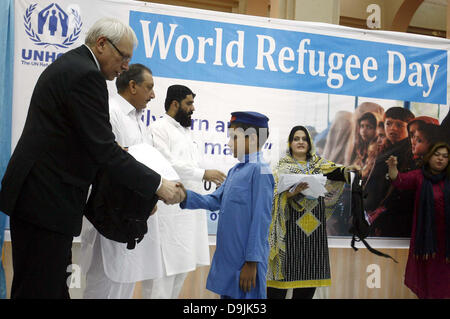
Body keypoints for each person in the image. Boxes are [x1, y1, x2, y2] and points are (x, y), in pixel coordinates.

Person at [0, 18, 182, 299]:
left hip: (39, 199)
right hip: (45, 202)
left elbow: (89, 142)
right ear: (101, 45)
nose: (124, 66)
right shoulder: (87, 76)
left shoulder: (73, 66)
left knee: (44, 287)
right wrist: (158, 185)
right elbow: (104, 150)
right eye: (123, 57)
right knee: (40, 289)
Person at [81, 63, 165, 299]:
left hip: (130, 219)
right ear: (132, 86)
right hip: (109, 217)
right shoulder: (110, 112)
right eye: (149, 87)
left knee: (123, 286)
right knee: (103, 288)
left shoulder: (140, 121)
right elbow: (110, 164)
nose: (153, 94)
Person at [178, 111, 274, 299]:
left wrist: (252, 262)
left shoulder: (260, 170)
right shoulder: (235, 170)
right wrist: (183, 196)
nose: (229, 143)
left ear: (252, 139)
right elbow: (214, 200)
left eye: (234, 137)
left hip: (246, 263)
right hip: (230, 261)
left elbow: (261, 220)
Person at [148, 85, 226, 298]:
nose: (193, 108)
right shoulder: (158, 128)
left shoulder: (187, 133)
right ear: (175, 104)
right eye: (189, 103)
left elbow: (194, 164)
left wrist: (214, 177)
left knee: (181, 271)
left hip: (189, 215)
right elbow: (168, 163)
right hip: (168, 215)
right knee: (162, 277)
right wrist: (203, 173)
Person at [267, 126, 358, 299]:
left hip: (312, 237)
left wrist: (349, 171)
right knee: (277, 291)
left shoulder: (319, 164)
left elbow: (340, 173)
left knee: (307, 289)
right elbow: (270, 195)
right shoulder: (281, 167)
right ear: (290, 143)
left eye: (304, 139)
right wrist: (289, 194)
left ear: (309, 143)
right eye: (296, 138)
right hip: (288, 235)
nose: (301, 142)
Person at [386, 142, 450, 299]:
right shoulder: (419, 176)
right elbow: (398, 179)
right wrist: (392, 166)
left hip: (447, 242)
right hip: (426, 241)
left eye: (445, 156)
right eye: (437, 155)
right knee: (428, 279)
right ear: (429, 157)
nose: (441, 159)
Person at [364, 106, 416, 237]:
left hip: (393, 215)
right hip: (376, 211)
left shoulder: (409, 152)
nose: (393, 128)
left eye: (399, 125)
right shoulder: (384, 147)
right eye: (389, 123)